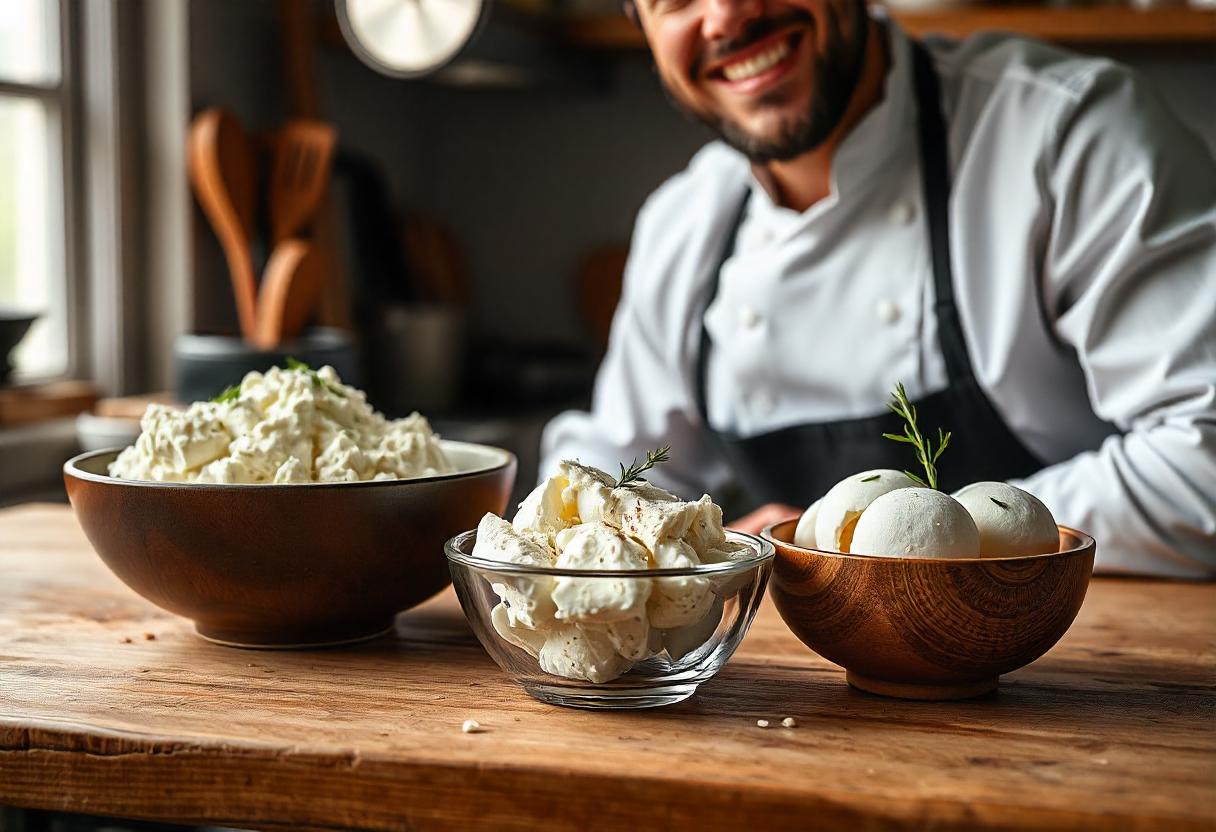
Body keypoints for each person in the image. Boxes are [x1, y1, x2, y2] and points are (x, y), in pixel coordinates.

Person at [540, 0, 1216, 577]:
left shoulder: (1066, 135)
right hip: (806, 693)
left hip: (1066, 675)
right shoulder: (684, 223)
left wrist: (889, 540)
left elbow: (1204, 456)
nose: (726, 16)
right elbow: (614, 476)